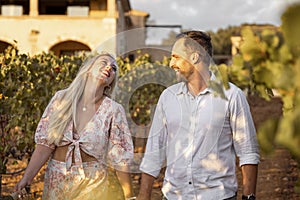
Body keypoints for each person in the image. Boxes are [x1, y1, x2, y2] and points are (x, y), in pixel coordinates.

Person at [137, 31, 260, 200]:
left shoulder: (232, 95)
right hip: (174, 196)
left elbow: (248, 152)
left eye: (176, 57)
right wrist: (144, 197)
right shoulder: (168, 97)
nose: (171, 63)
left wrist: (249, 197)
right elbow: (153, 151)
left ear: (195, 57)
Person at [14, 53, 136, 200]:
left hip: (93, 182)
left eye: (114, 68)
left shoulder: (113, 110)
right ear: (89, 69)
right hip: (57, 179)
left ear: (111, 82)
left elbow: (120, 159)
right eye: (103, 62)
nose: (109, 67)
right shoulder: (61, 99)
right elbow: (44, 146)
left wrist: (129, 197)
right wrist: (26, 178)